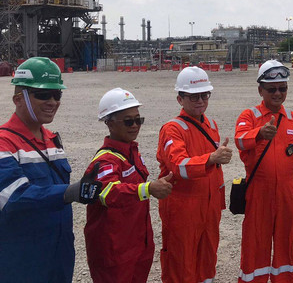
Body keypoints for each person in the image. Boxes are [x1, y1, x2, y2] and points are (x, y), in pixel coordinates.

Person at [0, 57, 101, 283]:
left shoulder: (51, 140)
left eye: (57, 95)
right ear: (18, 99)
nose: (53, 102)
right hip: (21, 261)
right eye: (43, 95)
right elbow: (12, 198)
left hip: (58, 256)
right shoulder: (4, 143)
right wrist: (68, 192)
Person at [234, 60, 293, 282]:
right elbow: (239, 141)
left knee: (287, 246)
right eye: (272, 89)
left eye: (282, 88)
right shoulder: (249, 116)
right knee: (255, 246)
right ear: (260, 90)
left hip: (289, 194)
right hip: (259, 192)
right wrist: (258, 134)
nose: (278, 93)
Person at [84, 88, 174, 283]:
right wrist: (148, 189)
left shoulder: (131, 152)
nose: (135, 126)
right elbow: (106, 192)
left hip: (136, 245)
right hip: (114, 252)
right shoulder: (105, 160)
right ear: (108, 123)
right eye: (128, 121)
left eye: (138, 120)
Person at [156, 66, 233, 283]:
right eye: (193, 96)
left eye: (204, 95)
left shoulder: (211, 125)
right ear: (180, 99)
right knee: (181, 265)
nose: (200, 101)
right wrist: (211, 159)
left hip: (209, 208)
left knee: (207, 262)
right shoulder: (172, 129)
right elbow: (178, 166)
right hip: (183, 209)